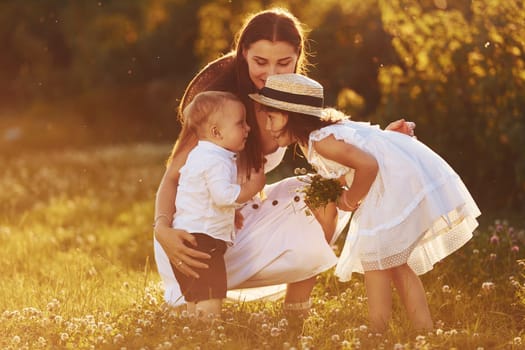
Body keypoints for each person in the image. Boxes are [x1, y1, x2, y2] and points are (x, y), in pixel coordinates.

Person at [153, 7, 416, 315]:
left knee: (318, 192)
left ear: (298, 57)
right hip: (193, 241)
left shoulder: (290, 100)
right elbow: (173, 176)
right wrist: (162, 230)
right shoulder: (222, 105)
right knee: (314, 192)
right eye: (260, 62)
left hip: (231, 229)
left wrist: (382, 141)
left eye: (284, 62)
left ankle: (295, 313)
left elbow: (333, 138)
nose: (272, 74)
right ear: (243, 54)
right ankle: (195, 299)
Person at [249, 73, 481, 331]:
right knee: (393, 262)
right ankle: (423, 329)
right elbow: (355, 160)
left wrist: (349, 198)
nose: (267, 126)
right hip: (391, 182)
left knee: (376, 261)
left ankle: (377, 330)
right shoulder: (317, 138)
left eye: (271, 117)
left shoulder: (321, 141)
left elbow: (368, 165)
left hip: (389, 186)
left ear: (292, 115)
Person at [168, 90, 265, 318]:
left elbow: (201, 197)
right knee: (210, 301)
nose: (248, 128)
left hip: (189, 237)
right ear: (216, 132)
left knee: (196, 301)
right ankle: (208, 339)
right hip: (204, 242)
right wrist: (254, 187)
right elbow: (222, 196)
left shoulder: (200, 155)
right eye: (241, 123)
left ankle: (195, 337)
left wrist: (231, 213)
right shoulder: (216, 160)